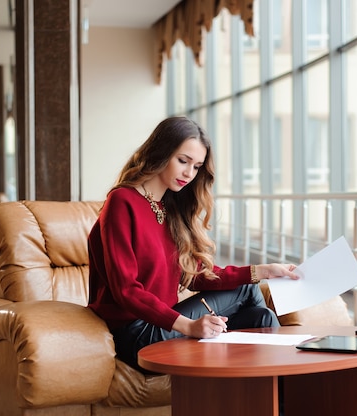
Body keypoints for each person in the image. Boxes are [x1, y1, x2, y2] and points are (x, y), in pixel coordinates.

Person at [87, 116, 299, 373]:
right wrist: (189, 325)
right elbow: (126, 290)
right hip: (136, 333)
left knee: (261, 318)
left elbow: (196, 277)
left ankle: (274, 398)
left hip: (164, 323)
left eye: (197, 166)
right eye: (183, 161)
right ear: (161, 152)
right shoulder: (122, 202)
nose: (189, 173)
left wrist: (264, 271)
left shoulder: (170, 210)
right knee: (248, 292)